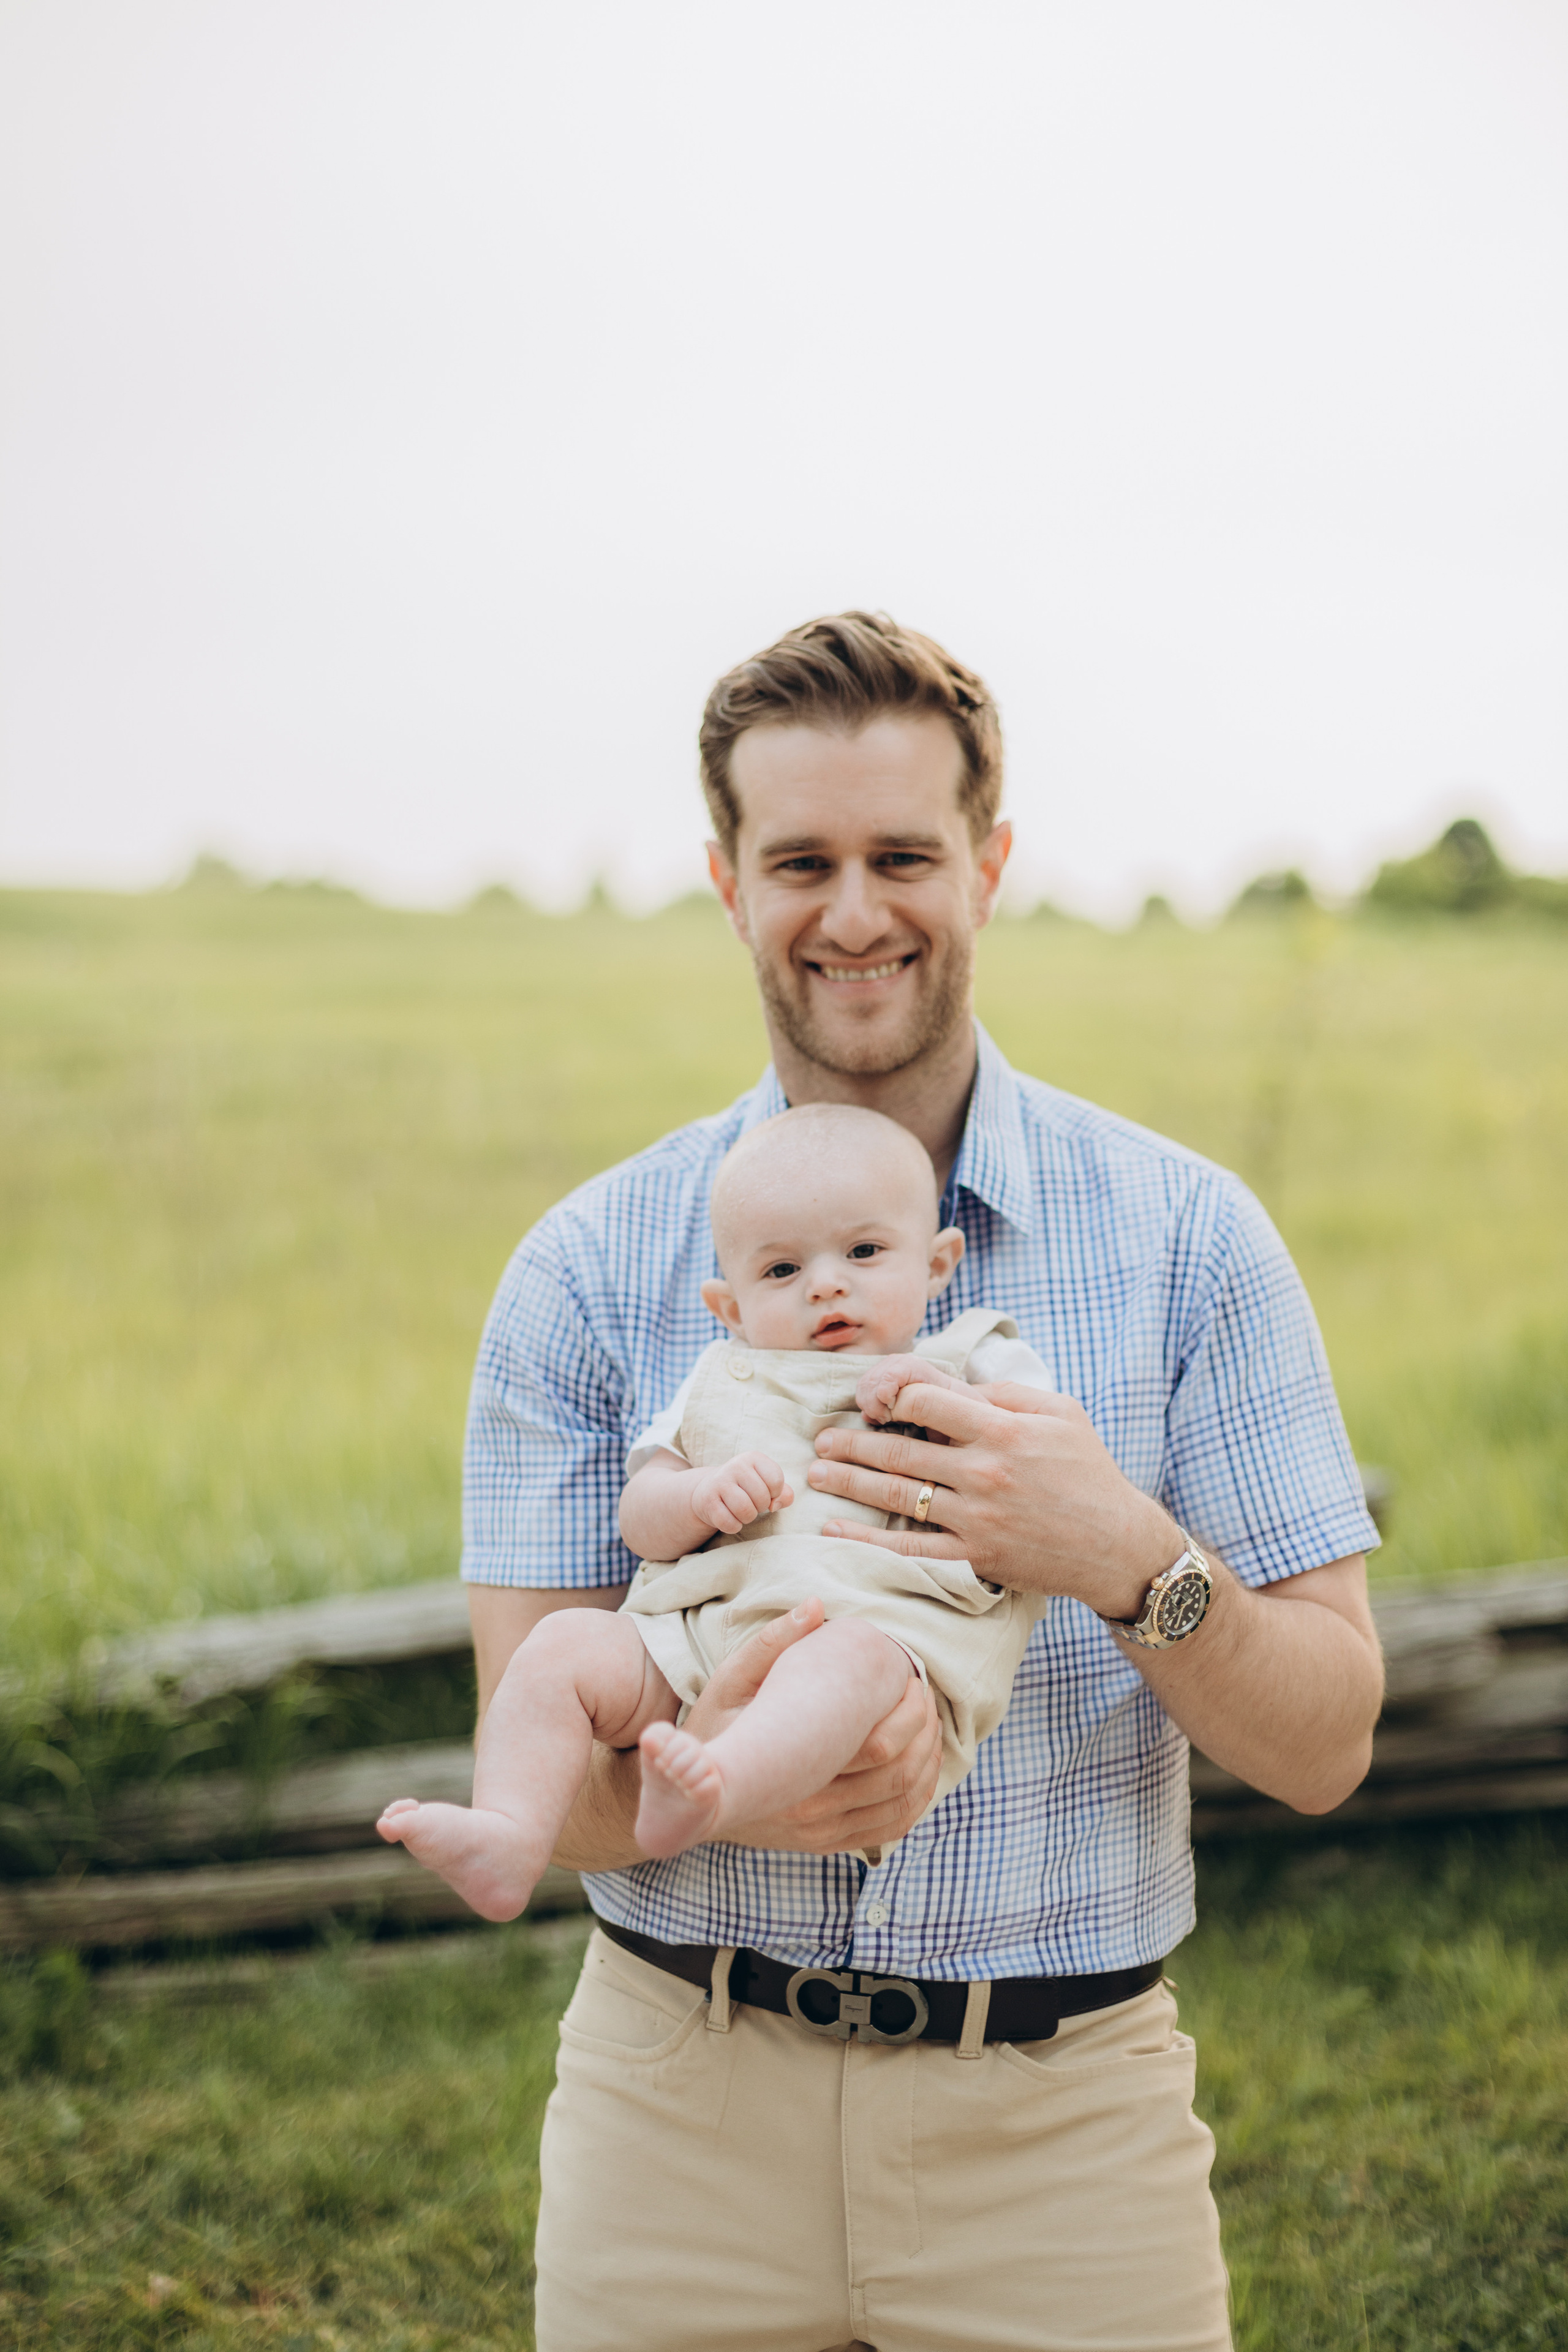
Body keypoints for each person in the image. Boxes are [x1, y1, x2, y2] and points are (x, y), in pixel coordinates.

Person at [462, 612, 1385, 2352]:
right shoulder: (589, 1269)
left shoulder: (1191, 1243)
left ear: (993, 865)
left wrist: (1124, 1555)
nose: (857, 910)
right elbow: (529, 1727)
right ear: (730, 882)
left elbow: (1328, 1742)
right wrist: (744, 1785)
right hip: (677, 2108)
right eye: (801, 859)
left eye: (906, 854)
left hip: (1060, 2121)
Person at [379, 1102, 1055, 1910]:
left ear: (938, 1264)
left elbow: (1039, 1482)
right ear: (730, 1309)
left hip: (880, 1642)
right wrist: (697, 1495)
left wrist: (946, 1401)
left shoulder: (979, 1360)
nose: (828, 1284)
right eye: (781, 1272)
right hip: (692, 1642)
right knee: (561, 1646)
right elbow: (642, 1513)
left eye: (866, 1251)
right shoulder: (719, 1381)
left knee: (843, 1662)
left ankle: (717, 1783)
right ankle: (511, 1833)